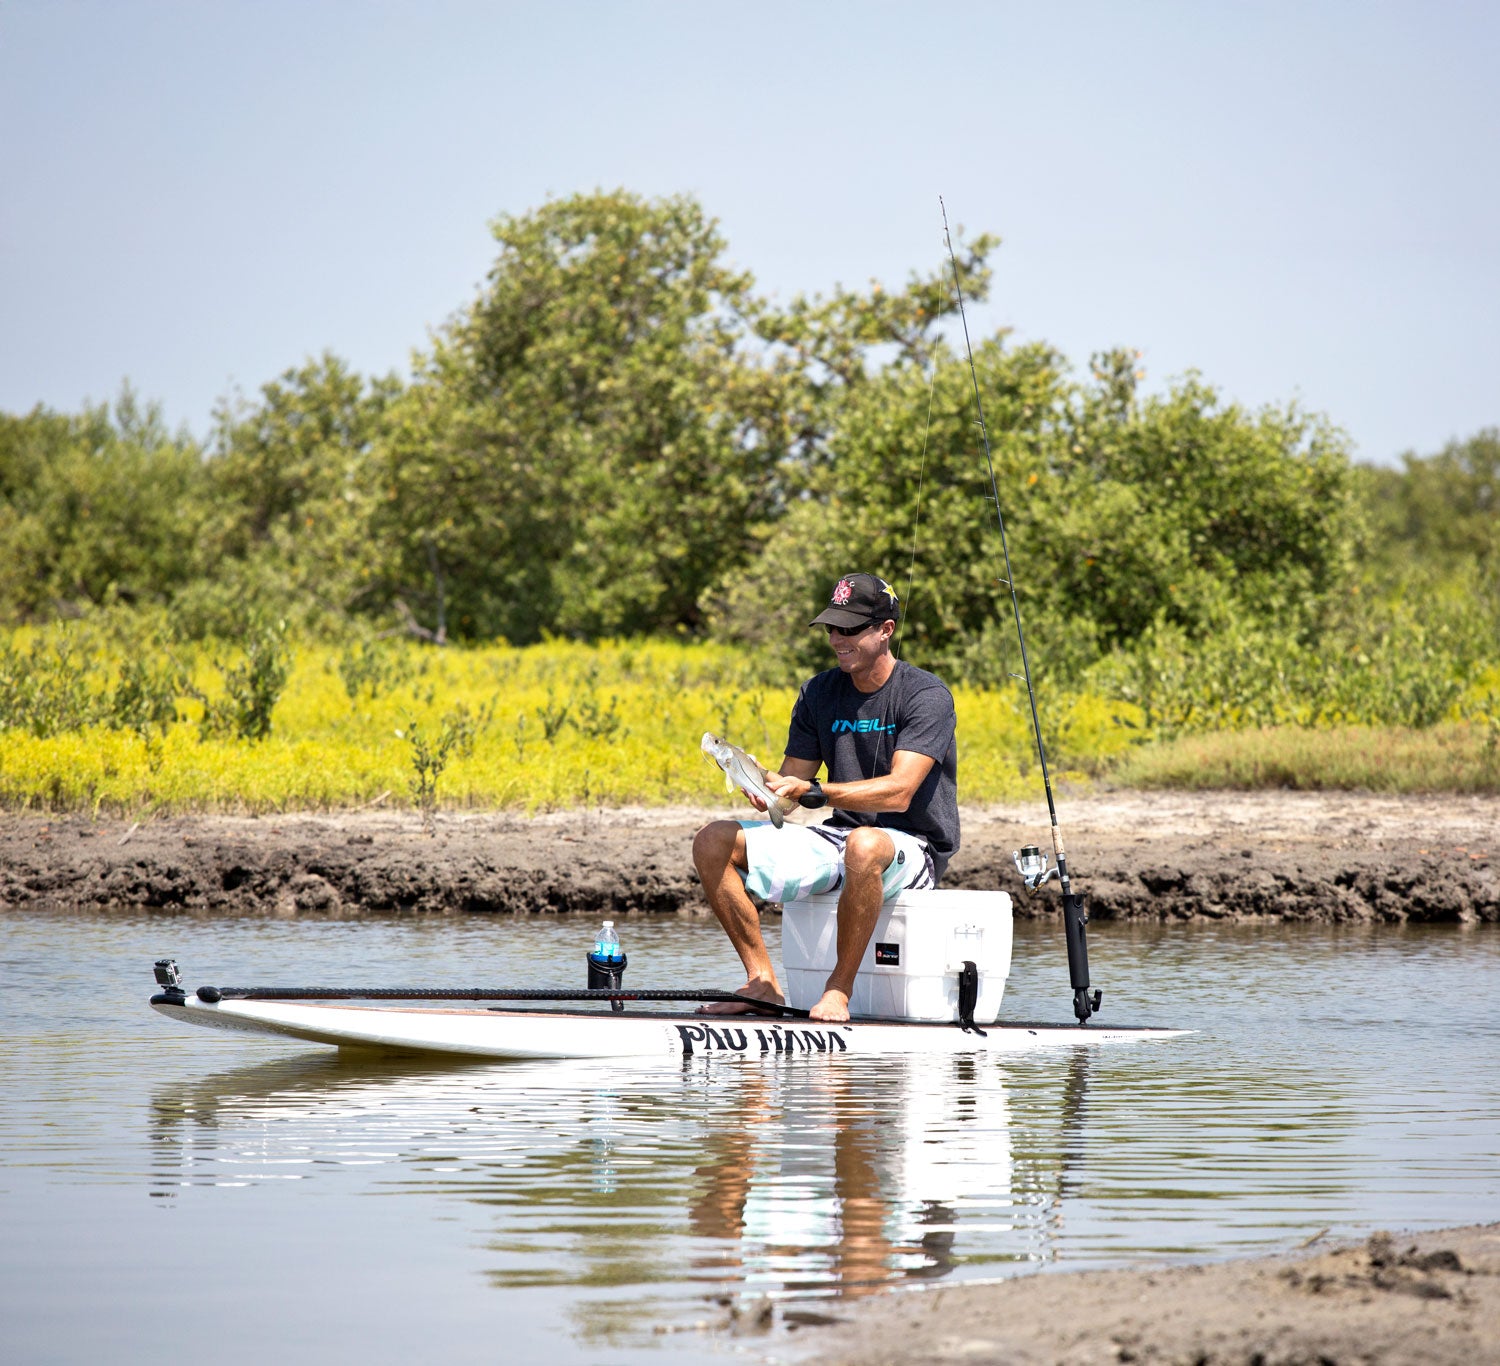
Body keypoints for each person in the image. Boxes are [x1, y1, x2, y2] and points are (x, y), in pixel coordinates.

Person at [692, 572, 959, 1022]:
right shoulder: (817, 692)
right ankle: (763, 982)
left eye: (850, 628)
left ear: (885, 630)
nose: (838, 638)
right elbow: (792, 787)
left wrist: (815, 791)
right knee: (712, 840)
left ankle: (838, 990)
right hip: (839, 839)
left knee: (866, 843)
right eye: (832, 628)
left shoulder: (927, 695)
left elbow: (899, 793)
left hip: (913, 847)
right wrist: (766, 786)